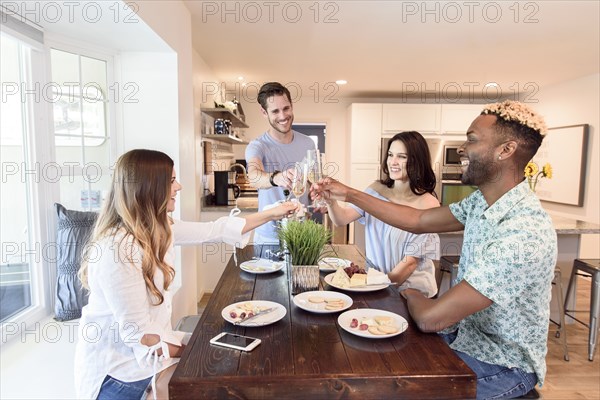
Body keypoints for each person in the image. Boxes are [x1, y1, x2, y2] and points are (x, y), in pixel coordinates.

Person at [313, 100, 557, 399]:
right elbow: (417, 219)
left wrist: (411, 294)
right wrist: (348, 192)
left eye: (471, 139)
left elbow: (432, 319)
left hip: (504, 363)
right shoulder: (481, 202)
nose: (463, 149)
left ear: (505, 151)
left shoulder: (524, 233)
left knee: (393, 389)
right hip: (467, 336)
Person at [74, 149, 297, 400]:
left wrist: (273, 213)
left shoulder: (158, 228)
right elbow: (143, 339)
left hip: (150, 357)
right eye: (171, 181)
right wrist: (199, 346)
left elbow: (214, 230)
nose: (178, 187)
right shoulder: (117, 251)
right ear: (148, 187)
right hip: (120, 377)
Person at [326, 131, 440, 297]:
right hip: (379, 286)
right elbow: (341, 219)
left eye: (402, 156)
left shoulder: (428, 205)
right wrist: (331, 201)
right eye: (390, 155)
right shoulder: (375, 190)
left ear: (417, 162)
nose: (393, 162)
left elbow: (407, 267)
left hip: (413, 294)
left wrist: (364, 286)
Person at [245, 82, 317, 244]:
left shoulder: (308, 144)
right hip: (269, 238)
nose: (283, 116)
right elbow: (254, 176)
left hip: (301, 233)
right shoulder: (257, 146)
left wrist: (317, 194)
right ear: (264, 112)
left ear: (292, 106)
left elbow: (312, 181)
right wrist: (276, 178)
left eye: (286, 108)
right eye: (275, 111)